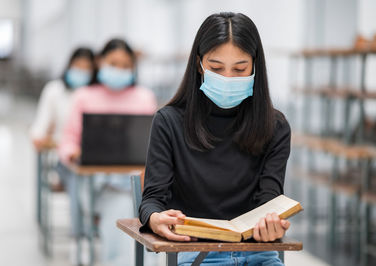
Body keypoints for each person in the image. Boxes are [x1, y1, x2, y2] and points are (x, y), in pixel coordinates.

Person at [139, 12, 291, 265]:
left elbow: (270, 201)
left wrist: (271, 224)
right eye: (216, 68)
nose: (228, 78)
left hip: (257, 253)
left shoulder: (274, 126)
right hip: (195, 252)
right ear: (199, 64)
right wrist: (154, 218)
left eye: (240, 69)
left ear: (255, 65)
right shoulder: (169, 122)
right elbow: (153, 199)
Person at [58, 38, 157, 265]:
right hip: (99, 183)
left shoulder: (144, 97)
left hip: (140, 181)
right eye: (114, 63)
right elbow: (68, 142)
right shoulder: (84, 96)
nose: (119, 70)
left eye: (125, 65)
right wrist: (75, 154)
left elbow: (153, 144)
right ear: (101, 62)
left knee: (145, 207)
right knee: (122, 206)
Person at [30, 47, 95, 149]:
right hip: (59, 153)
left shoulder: (95, 94)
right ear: (69, 65)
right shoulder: (54, 90)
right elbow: (38, 133)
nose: (81, 72)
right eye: (78, 66)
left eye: (87, 68)